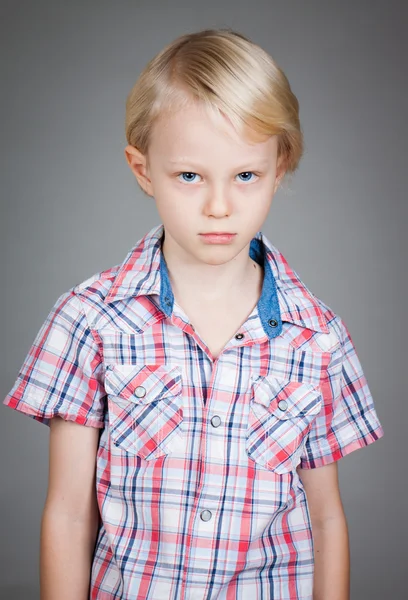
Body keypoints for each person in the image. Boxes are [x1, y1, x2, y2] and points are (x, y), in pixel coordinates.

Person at [3, 28, 384, 600]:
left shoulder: (318, 339)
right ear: (142, 169)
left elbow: (326, 517)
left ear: (280, 168)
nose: (219, 206)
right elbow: (67, 513)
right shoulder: (89, 320)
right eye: (189, 176)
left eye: (245, 176)